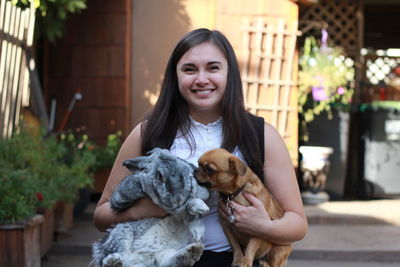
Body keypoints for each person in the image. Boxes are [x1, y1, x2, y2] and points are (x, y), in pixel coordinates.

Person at [93, 28, 307, 266]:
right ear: (175, 76)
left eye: (213, 67)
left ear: (230, 74)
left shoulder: (261, 135)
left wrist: (263, 226)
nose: (202, 79)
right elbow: (101, 216)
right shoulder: (147, 133)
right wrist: (148, 209)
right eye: (189, 69)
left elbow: (297, 224)